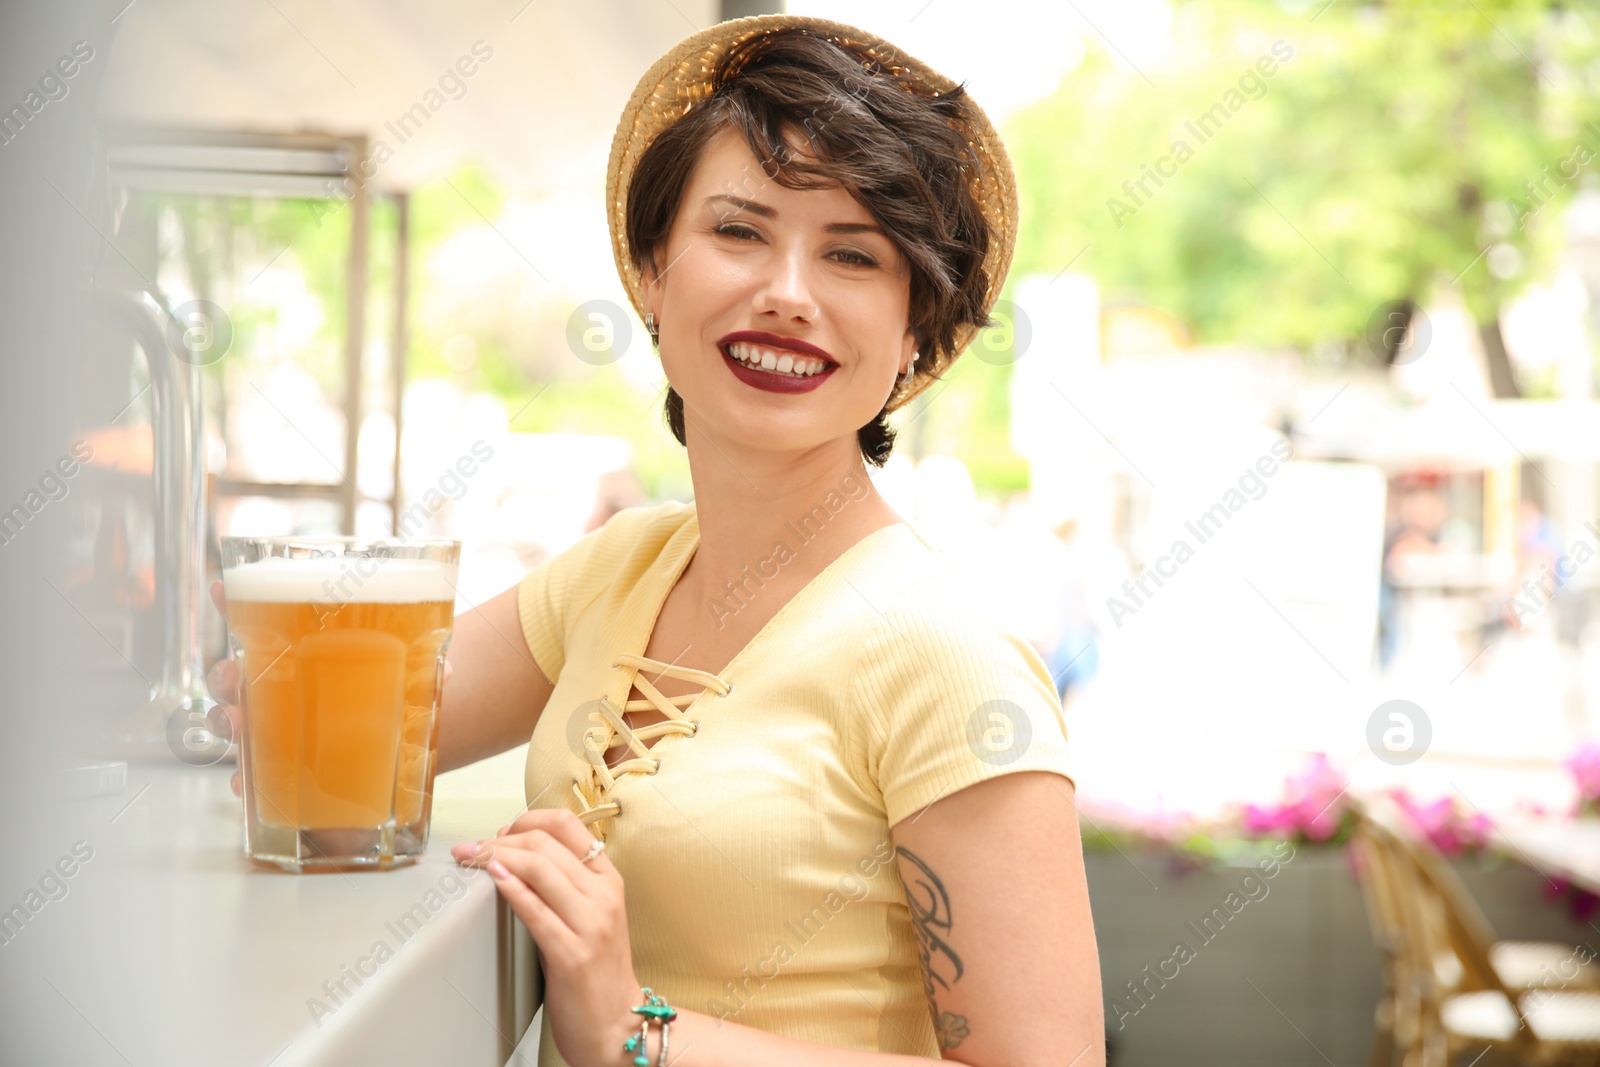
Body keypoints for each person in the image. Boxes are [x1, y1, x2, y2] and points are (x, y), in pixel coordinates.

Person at [212, 15, 1102, 1066]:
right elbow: (341, 752)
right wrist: (245, 684)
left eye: (853, 254)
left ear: (916, 330)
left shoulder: (947, 658)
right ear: (650, 269)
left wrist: (638, 1028)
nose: (787, 291)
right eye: (738, 231)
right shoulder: (623, 566)